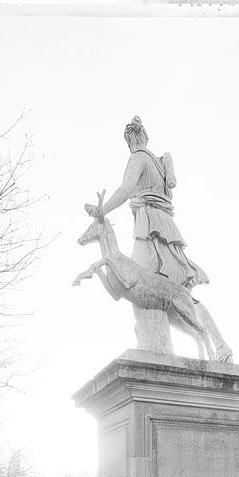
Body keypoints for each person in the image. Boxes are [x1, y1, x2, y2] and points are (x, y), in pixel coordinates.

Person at [87, 116, 210, 353]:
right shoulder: (158, 162)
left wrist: (103, 210)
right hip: (165, 227)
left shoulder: (138, 158)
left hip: (149, 225)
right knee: (173, 292)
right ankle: (209, 345)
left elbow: (125, 190)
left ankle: (152, 346)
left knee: (137, 287)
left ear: (131, 140)